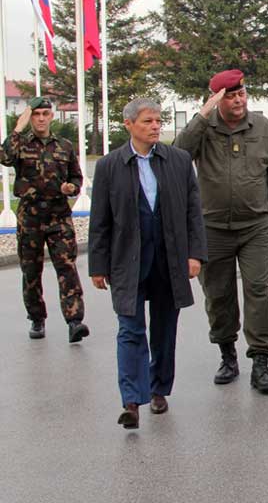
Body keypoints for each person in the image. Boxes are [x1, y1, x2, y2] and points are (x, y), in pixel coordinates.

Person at [89, 98, 207, 429]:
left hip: (169, 260)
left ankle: (158, 389)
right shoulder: (110, 166)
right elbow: (100, 222)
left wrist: (195, 254)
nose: (155, 126)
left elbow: (192, 214)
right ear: (129, 125)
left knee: (164, 329)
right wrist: (98, 266)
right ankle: (131, 401)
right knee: (130, 330)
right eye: (147, 121)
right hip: (127, 262)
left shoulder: (179, 161)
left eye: (158, 120)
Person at [174, 69, 268, 393]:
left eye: (241, 94)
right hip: (211, 227)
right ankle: (227, 354)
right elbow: (177, 156)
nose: (238, 100)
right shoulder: (204, 129)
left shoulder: (262, 127)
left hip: (255, 225)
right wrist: (201, 117)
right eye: (230, 95)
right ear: (216, 99)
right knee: (218, 294)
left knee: (257, 288)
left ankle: (261, 362)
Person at [1, 97, 87, 342]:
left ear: (52, 116)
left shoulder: (64, 146)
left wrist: (72, 187)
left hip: (59, 217)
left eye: (45, 114)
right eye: (36, 114)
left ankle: (75, 321)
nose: (40, 118)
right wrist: (18, 127)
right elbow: (4, 158)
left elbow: (76, 177)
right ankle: (37, 318)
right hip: (30, 218)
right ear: (30, 117)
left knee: (67, 268)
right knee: (31, 271)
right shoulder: (21, 143)